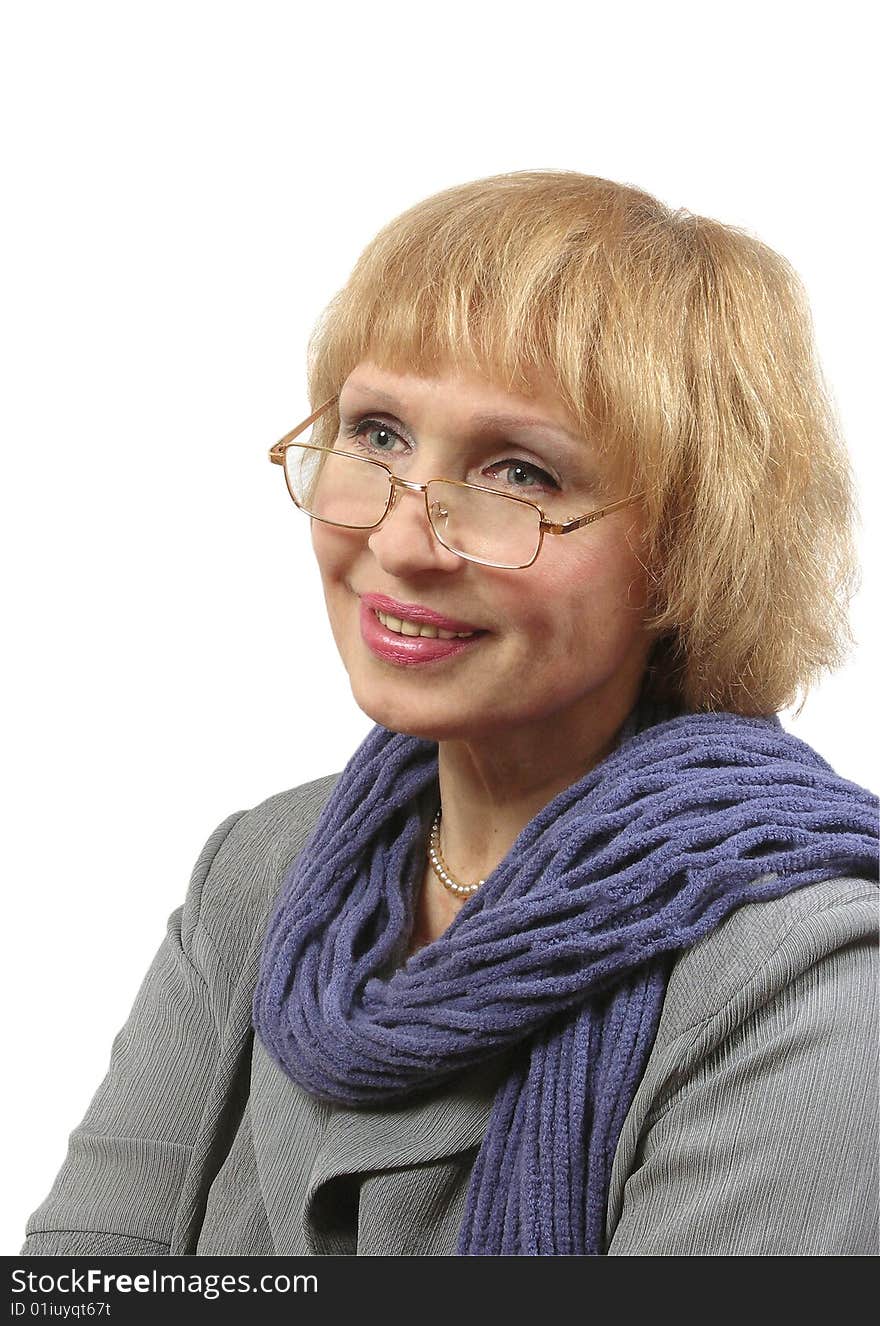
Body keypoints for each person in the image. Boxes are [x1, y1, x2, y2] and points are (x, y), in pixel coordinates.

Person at [20, 169, 879, 1258]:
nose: (399, 539)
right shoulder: (265, 873)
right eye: (376, 434)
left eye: (518, 472)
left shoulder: (806, 985)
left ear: (688, 551)